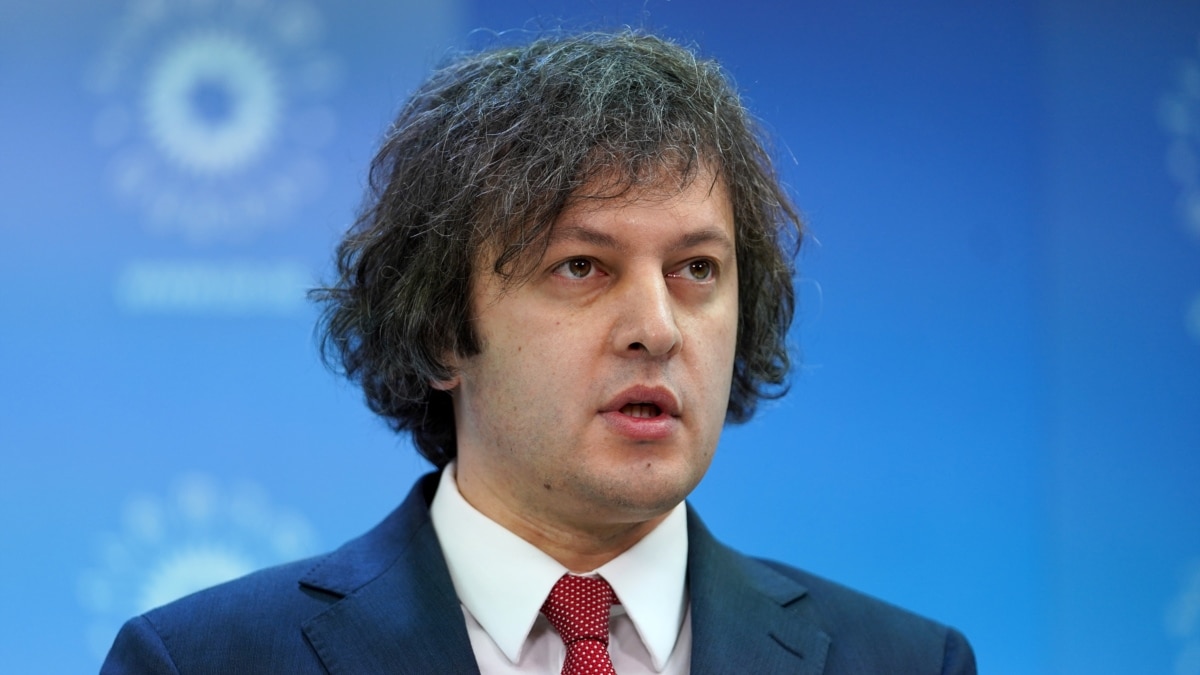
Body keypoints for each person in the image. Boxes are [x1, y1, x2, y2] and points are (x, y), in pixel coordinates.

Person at [102, 30, 976, 674]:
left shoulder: (904, 662)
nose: (658, 327)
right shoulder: (202, 661)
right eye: (582, 266)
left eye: (696, 269)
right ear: (442, 327)